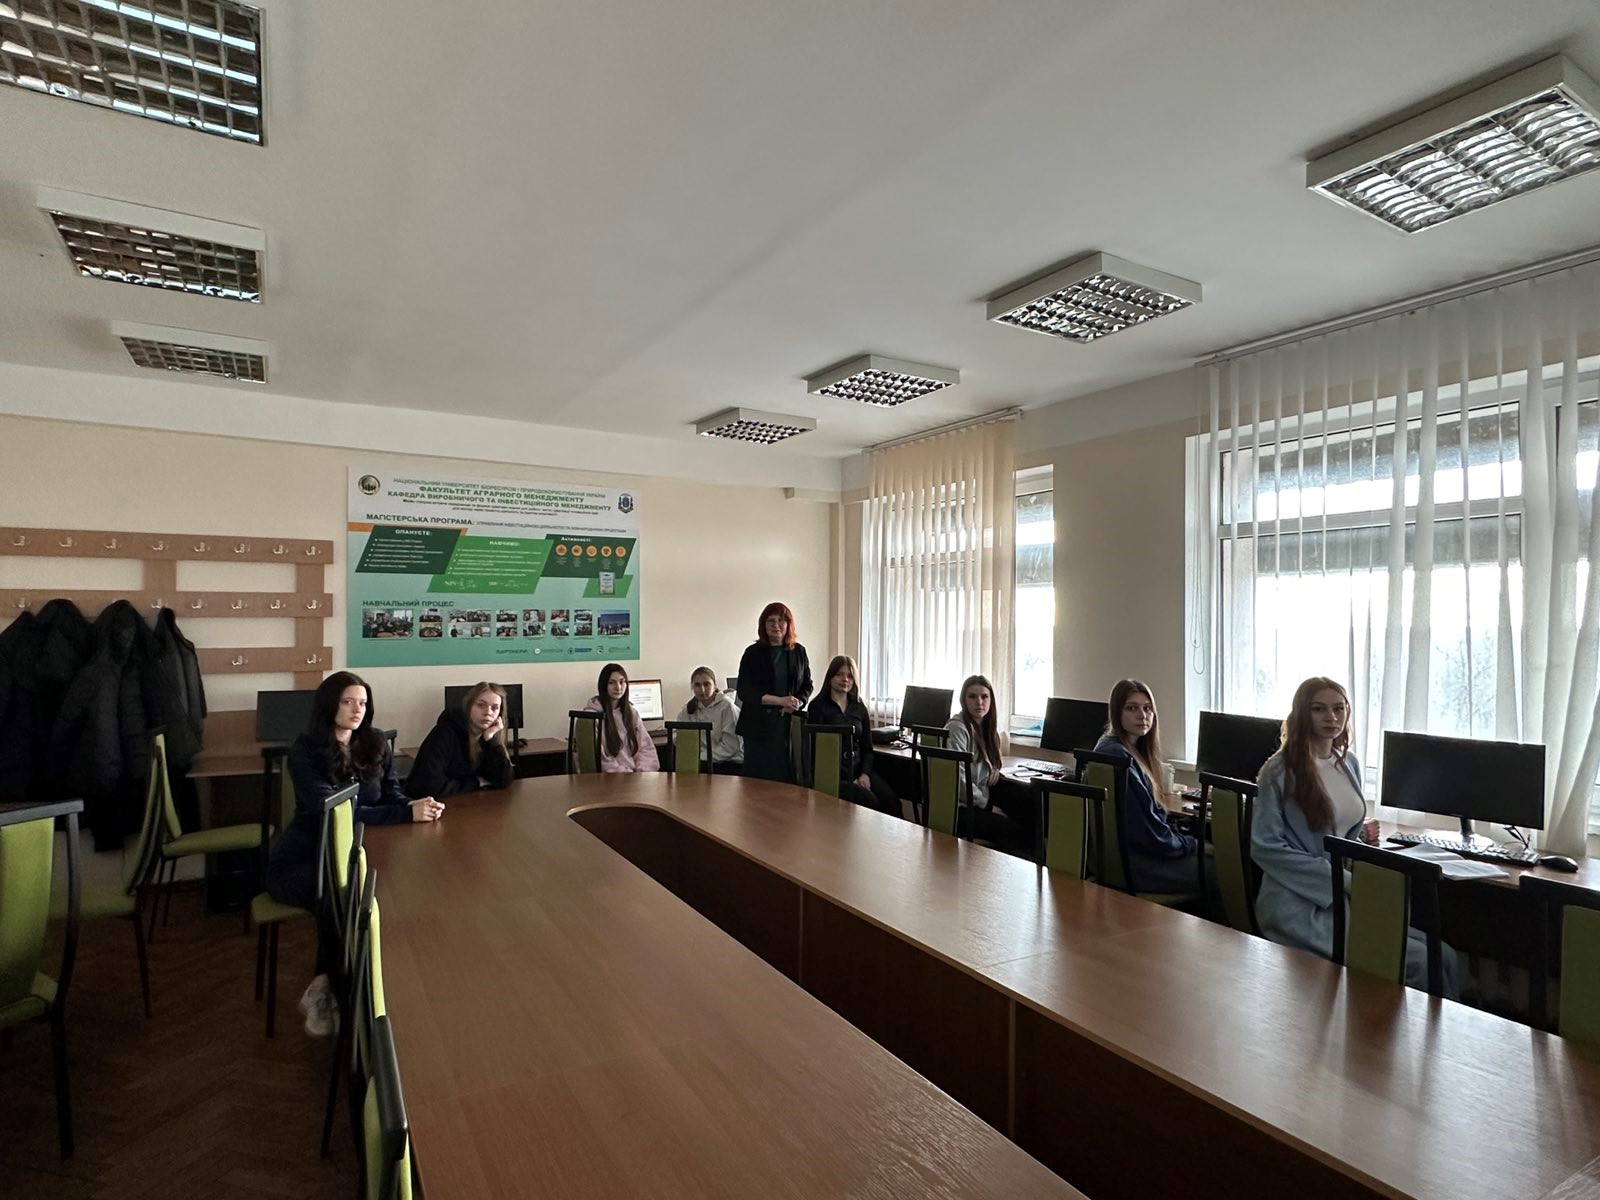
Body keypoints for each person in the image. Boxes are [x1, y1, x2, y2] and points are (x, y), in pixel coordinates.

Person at [1252, 677, 1459, 995]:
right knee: (1420, 963)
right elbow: (1265, 847)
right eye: (1319, 709)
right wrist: (1343, 879)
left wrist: (1360, 839)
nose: (1331, 717)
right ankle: (1388, 1026)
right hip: (1299, 904)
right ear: (1302, 713)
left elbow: (1334, 832)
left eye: (1339, 709)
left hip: (1345, 896)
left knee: (1445, 956)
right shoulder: (1278, 770)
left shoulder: (1349, 763)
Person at [267, 671, 443, 1038]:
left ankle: (354, 986)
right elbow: (335, 812)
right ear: (329, 705)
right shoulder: (305, 750)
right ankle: (327, 990)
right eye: (348, 701)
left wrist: (415, 806)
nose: (357, 709)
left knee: (377, 892)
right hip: (303, 859)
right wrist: (402, 814)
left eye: (363, 703)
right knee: (341, 898)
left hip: (355, 851)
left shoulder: (374, 742)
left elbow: (391, 794)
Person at [1090, 679, 1204, 892]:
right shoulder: (1120, 757)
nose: (1142, 716)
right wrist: (1190, 844)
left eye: (1147, 708)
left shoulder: (1111, 747)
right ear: (1116, 712)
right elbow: (1152, 836)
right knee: (1233, 874)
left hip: (1124, 863)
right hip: (1142, 866)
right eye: (1132, 708)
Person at [942, 674, 1033, 852]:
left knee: (1028, 804)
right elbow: (958, 779)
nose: (979, 702)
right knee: (1012, 831)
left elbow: (992, 764)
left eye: (984, 696)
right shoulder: (957, 728)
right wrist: (988, 806)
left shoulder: (987, 729)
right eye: (972, 696)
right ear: (963, 700)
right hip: (960, 808)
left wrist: (995, 768)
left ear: (991, 700)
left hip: (978, 799)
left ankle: (1038, 861)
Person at [806, 655, 898, 815]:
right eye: (839, 674)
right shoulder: (817, 706)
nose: (845, 679)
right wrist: (850, 779)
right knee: (871, 803)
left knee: (891, 801)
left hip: (858, 769)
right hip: (833, 773)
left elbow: (867, 749)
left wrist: (864, 774)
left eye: (849, 676)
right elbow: (815, 750)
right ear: (830, 677)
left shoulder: (859, 707)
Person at [735, 602, 813, 782]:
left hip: (788, 724)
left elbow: (807, 685)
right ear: (763, 624)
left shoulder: (799, 651)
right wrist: (780, 701)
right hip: (757, 726)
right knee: (757, 782)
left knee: (786, 779)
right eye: (770, 621)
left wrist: (798, 702)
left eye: (781, 620)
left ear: (788, 624)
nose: (776, 625)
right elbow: (744, 691)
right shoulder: (752, 653)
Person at [405, 681, 514, 798]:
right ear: (469, 706)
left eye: (495, 708)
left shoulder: (487, 737)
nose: (488, 712)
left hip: (466, 802)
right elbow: (428, 786)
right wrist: (476, 783)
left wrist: (490, 740)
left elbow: (504, 780)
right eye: (480, 705)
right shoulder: (444, 733)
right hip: (425, 804)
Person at [583, 663, 660, 773]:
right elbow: (602, 761)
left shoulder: (632, 713)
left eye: (622, 682)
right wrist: (627, 775)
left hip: (635, 777)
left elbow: (646, 749)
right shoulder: (591, 718)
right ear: (603, 685)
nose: (618, 687)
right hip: (611, 778)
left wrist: (642, 772)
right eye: (611, 683)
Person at [672, 667, 743, 774]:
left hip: (728, 764)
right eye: (697, 685)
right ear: (692, 687)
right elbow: (677, 735)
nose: (702, 689)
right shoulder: (689, 709)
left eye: (706, 684)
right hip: (702, 762)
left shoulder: (727, 707)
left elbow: (731, 747)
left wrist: (701, 756)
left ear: (715, 686)